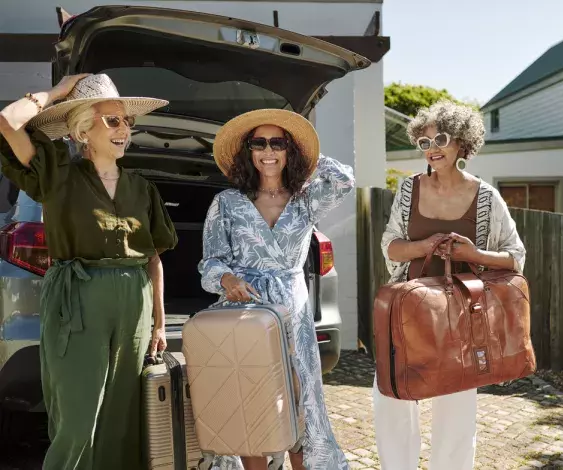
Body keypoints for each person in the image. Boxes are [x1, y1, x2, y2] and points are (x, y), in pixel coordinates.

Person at [0, 73, 178, 469]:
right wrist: (58, 92)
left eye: (127, 122)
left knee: (124, 419)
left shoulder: (142, 188)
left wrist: (160, 324)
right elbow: (8, 122)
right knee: (78, 419)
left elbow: (153, 258)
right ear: (83, 129)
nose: (123, 130)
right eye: (112, 120)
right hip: (77, 300)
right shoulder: (57, 175)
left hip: (134, 301)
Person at [373, 100, 526, 470]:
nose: (433, 148)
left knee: (457, 410)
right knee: (391, 396)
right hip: (408, 312)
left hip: (464, 316)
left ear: (462, 142)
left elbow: (515, 257)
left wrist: (475, 253)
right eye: (424, 142)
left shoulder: (487, 197)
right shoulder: (409, 190)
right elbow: (390, 245)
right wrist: (424, 247)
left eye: (440, 138)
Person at [199, 109, 354, 470]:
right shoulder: (227, 202)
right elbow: (210, 262)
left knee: (301, 404)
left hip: (293, 314)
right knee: (251, 402)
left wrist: (311, 157)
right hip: (245, 311)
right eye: (259, 143)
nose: (268, 151)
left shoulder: (305, 199)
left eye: (278, 143)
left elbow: (344, 181)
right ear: (248, 151)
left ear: (289, 151)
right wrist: (227, 280)